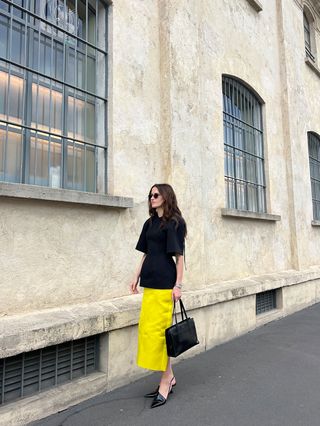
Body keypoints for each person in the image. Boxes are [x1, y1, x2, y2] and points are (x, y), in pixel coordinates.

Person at [130, 183, 187, 409]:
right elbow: (146, 253)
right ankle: (169, 377)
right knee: (149, 332)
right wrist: (135, 276)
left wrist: (178, 285)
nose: (151, 198)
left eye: (155, 195)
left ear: (165, 197)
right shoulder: (149, 223)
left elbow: (180, 257)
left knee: (161, 334)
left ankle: (165, 382)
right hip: (150, 284)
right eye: (150, 195)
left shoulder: (175, 223)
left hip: (165, 285)